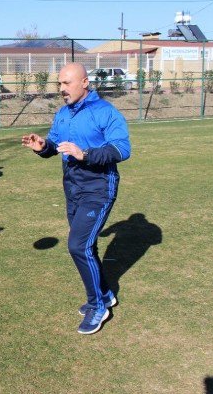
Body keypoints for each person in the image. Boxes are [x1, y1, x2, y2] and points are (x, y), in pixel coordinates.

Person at [21, 62, 131, 335]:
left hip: (98, 189)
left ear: (85, 83)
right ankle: (105, 295)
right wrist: (42, 146)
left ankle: (97, 306)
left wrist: (86, 154)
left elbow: (122, 148)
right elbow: (55, 145)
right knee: (86, 246)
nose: (61, 89)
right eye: (59, 84)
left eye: (67, 83)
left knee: (77, 245)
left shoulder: (105, 112)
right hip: (73, 189)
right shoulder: (63, 114)